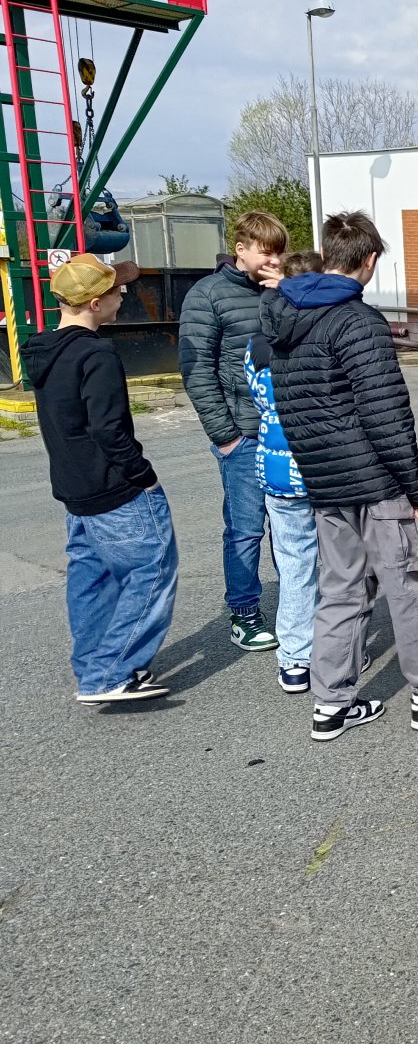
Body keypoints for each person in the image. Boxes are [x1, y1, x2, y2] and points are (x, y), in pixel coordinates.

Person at [264, 212, 418, 742]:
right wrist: (416, 483)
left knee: (340, 590)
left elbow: (292, 406)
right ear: (369, 260)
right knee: (407, 587)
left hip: (322, 477)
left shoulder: (282, 318)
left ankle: (331, 702)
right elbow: (385, 412)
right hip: (372, 479)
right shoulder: (358, 321)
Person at [22, 254, 176, 704]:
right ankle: (110, 672)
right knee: (151, 571)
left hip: (75, 488)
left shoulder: (42, 350)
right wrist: (143, 476)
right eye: (115, 292)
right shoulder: (96, 354)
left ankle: (93, 666)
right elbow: (108, 430)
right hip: (115, 489)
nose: (122, 297)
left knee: (91, 579)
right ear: (94, 303)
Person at [178, 211, 286, 653]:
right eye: (266, 251)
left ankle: (296, 607)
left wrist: (287, 296)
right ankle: (244, 613)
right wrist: (226, 436)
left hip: (286, 432)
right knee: (246, 529)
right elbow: (196, 370)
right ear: (240, 249)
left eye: (279, 252)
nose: (274, 260)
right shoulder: (207, 294)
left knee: (292, 526)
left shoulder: (284, 291)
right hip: (243, 434)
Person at [243, 250, 324, 695]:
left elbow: (258, 401)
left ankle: (294, 659)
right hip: (322, 469)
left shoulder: (256, 344)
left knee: (294, 568)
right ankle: (335, 650)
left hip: (275, 469)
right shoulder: (322, 337)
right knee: (339, 567)